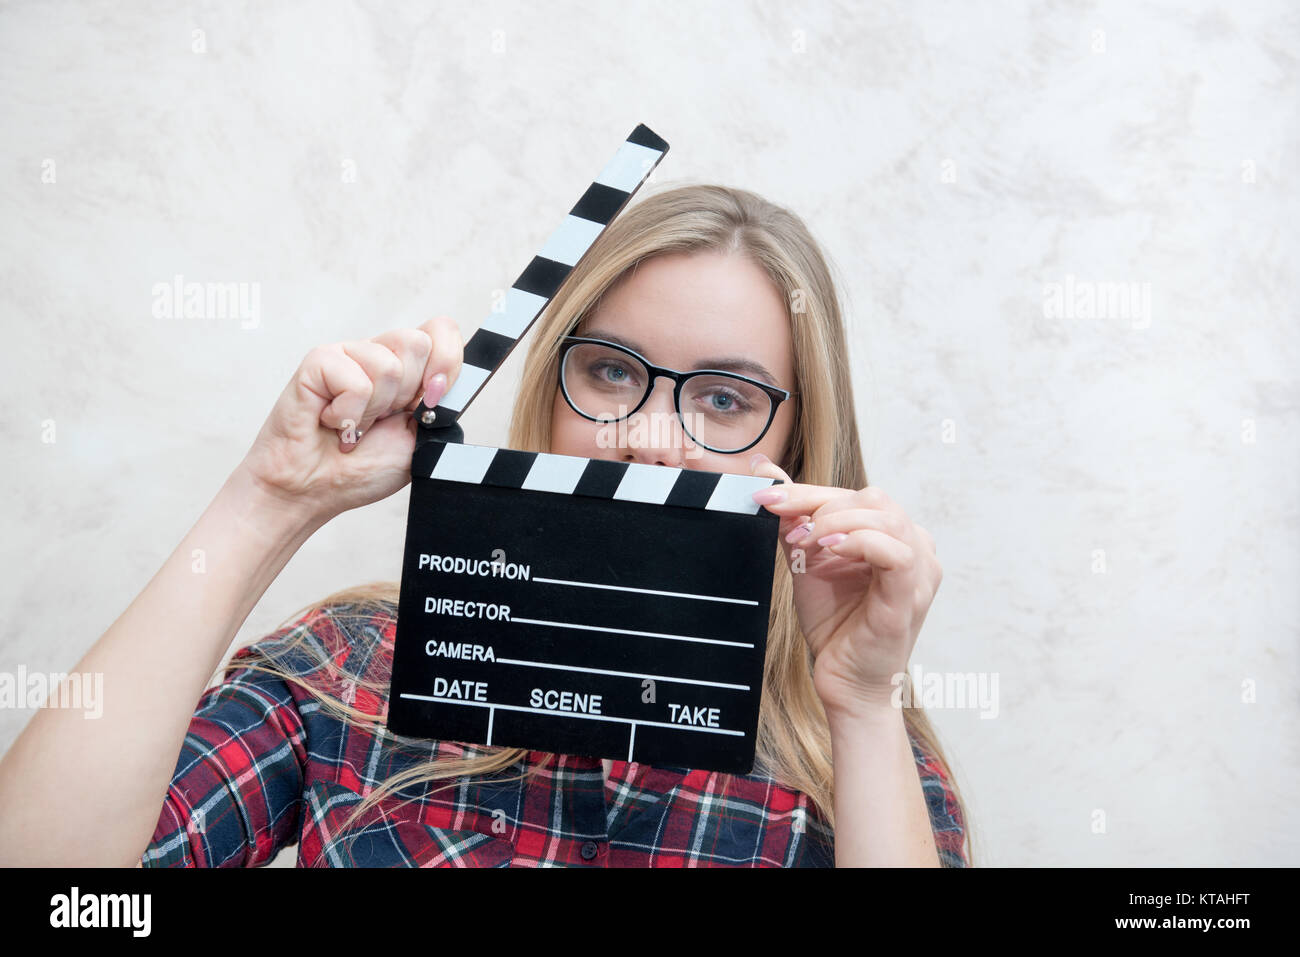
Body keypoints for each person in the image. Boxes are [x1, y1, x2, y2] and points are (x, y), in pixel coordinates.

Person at [0, 183, 971, 867]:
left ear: (798, 450)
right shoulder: (349, 672)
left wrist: (863, 706)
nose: (651, 438)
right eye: (613, 373)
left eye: (724, 399)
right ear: (549, 389)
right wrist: (270, 499)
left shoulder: (854, 750)